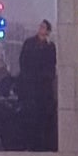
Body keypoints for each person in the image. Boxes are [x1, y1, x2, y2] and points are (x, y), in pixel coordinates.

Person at [16, 18, 59, 147]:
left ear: (48, 31)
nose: (41, 29)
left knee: (42, 115)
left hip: (43, 87)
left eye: (43, 27)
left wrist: (46, 77)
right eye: (40, 26)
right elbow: (23, 61)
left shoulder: (50, 47)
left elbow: (52, 64)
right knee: (29, 113)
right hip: (29, 85)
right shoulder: (29, 43)